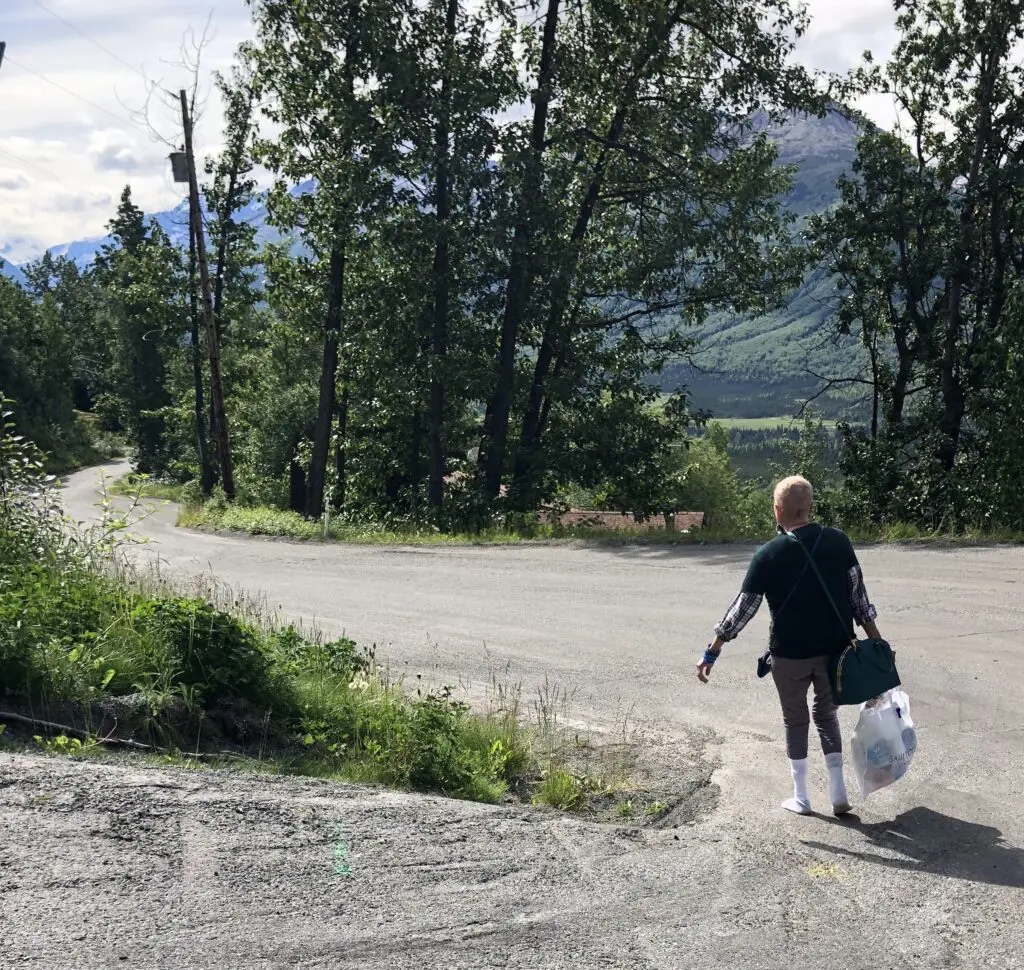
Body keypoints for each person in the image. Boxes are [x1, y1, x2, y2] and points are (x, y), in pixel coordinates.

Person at [697, 475, 883, 816]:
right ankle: (838, 791)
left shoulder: (768, 554)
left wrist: (714, 648)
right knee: (827, 715)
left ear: (777, 510)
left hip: (789, 654)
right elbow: (859, 599)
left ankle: (801, 797)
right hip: (835, 653)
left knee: (795, 720)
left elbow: (744, 608)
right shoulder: (838, 542)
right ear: (810, 507)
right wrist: (877, 644)